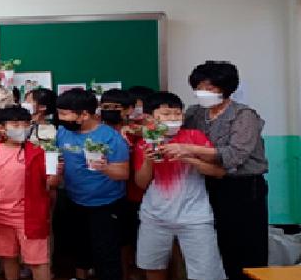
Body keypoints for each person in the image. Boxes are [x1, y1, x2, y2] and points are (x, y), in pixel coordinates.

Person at [162, 61, 268, 280]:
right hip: (206, 183)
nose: (203, 93)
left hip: (242, 187)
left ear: (226, 89)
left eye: (209, 88)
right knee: (214, 244)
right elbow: (173, 132)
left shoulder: (243, 115)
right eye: (199, 88)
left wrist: (189, 149)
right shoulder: (195, 113)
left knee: (246, 246)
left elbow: (234, 155)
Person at [134, 91, 226, 280]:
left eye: (177, 113)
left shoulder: (195, 137)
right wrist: (149, 160)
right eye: (166, 114)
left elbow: (218, 172)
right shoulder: (144, 142)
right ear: (150, 117)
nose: (173, 118)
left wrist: (188, 157)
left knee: (206, 272)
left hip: (195, 216)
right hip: (155, 216)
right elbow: (141, 183)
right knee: (153, 266)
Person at [55, 88, 129, 280]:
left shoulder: (111, 137)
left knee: (106, 255)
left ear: (84, 114)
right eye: (59, 113)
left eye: (65, 114)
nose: (60, 118)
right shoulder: (62, 132)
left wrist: (104, 167)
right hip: (74, 200)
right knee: (79, 249)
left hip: (105, 204)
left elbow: (123, 173)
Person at [0, 106, 55, 280]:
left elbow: (51, 182)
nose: (22, 128)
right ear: (1, 128)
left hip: (30, 215)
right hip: (0, 215)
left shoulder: (38, 152)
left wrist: (55, 171)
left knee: (38, 260)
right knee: (8, 257)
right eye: (16, 124)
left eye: (25, 124)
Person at [99, 88, 142, 280]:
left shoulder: (137, 131)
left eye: (115, 107)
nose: (109, 111)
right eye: (105, 107)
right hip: (110, 194)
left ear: (128, 109)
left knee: (137, 239)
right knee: (119, 241)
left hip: (137, 192)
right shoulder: (98, 132)